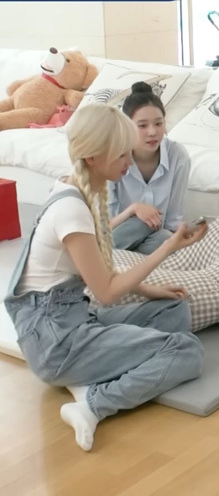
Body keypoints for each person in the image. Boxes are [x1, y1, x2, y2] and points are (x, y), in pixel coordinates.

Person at [4, 103, 207, 452]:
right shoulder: (71, 209)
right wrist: (168, 246)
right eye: (121, 154)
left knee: (174, 310)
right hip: (55, 343)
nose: (129, 161)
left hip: (73, 320)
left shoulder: (77, 190)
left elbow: (100, 269)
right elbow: (107, 291)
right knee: (187, 351)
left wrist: (150, 290)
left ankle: (89, 373)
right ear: (94, 157)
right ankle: (93, 404)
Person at [108, 82, 191, 255]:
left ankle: (127, 257)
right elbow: (105, 225)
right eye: (142, 125)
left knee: (165, 238)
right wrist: (133, 209)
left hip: (155, 238)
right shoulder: (112, 156)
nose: (152, 132)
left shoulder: (178, 156)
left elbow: (173, 221)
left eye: (158, 124)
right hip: (116, 234)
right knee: (141, 224)